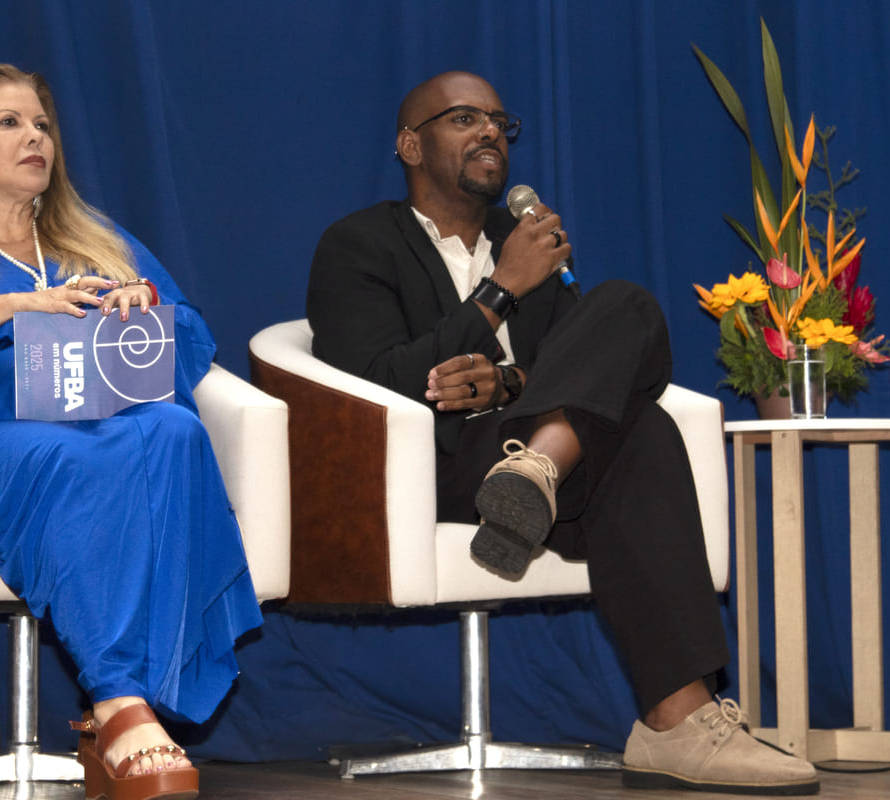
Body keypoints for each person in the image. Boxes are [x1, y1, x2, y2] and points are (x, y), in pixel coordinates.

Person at [306, 70, 819, 795]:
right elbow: (371, 383)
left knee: (628, 312)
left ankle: (541, 478)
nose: (490, 130)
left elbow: (572, 368)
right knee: (638, 427)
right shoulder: (358, 244)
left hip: (533, 457)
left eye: (499, 121)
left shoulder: (533, 245)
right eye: (464, 118)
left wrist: (510, 384)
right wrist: (500, 291)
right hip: (437, 464)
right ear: (410, 146)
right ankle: (674, 719)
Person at [0, 64, 262, 800]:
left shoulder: (93, 238)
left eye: (42, 124)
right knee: (72, 456)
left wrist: (140, 303)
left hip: (102, 420)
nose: (35, 136)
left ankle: (121, 708)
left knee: (174, 430)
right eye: (10, 122)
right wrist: (16, 307)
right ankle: (117, 700)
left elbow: (192, 336)